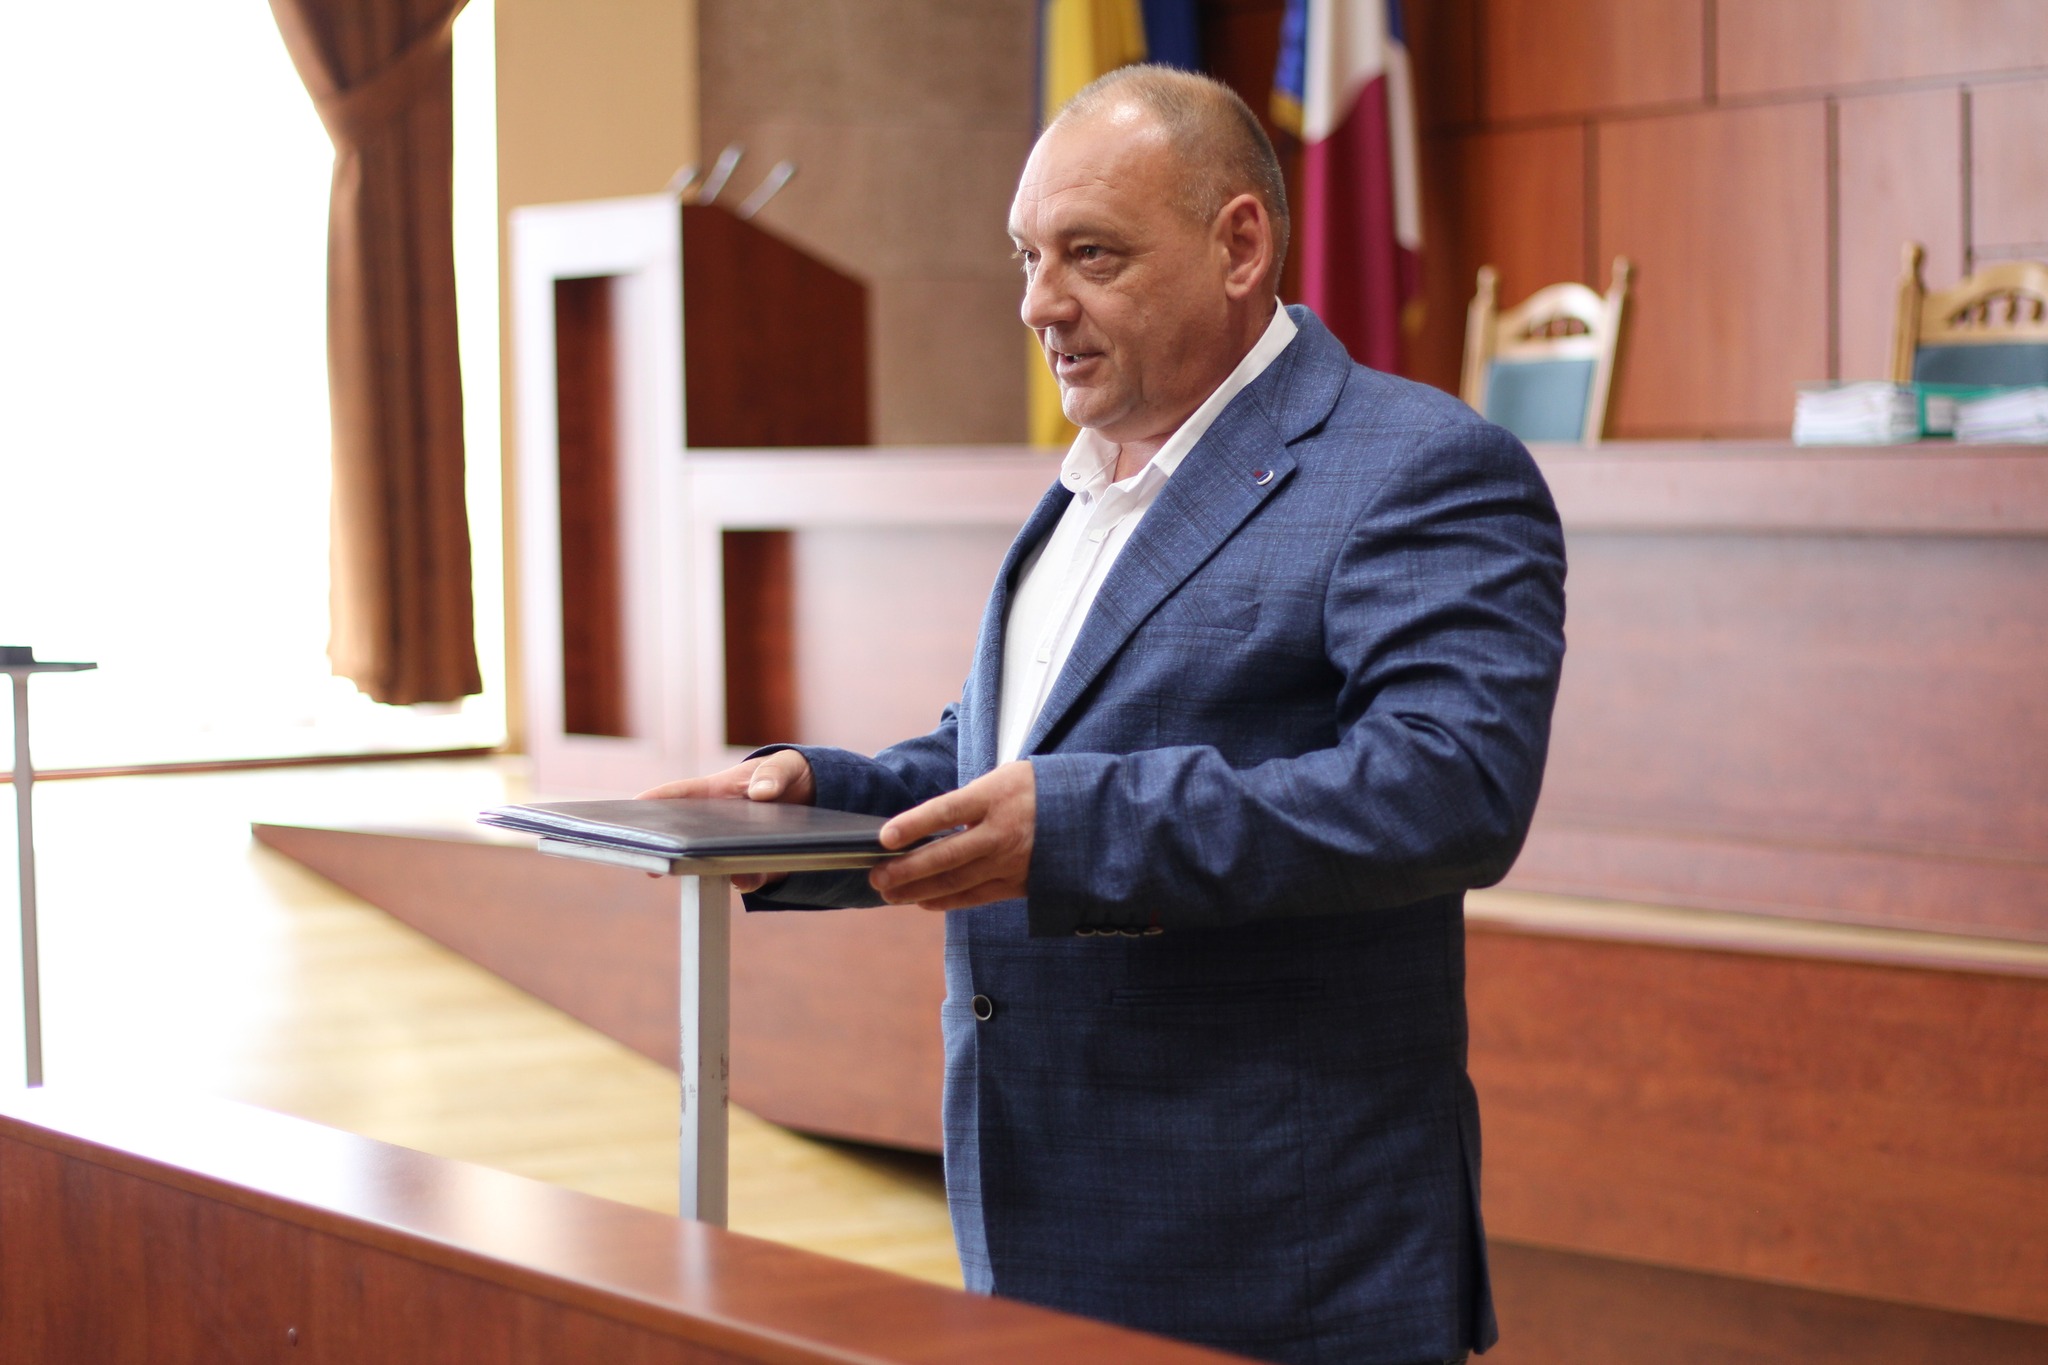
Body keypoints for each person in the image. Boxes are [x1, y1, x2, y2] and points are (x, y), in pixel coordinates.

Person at [642, 65, 1565, 1365]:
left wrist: (1077, 827)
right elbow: (1014, 757)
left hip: (1279, 1254)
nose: (1038, 302)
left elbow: (1449, 790)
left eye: (1091, 255)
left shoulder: (1419, 467)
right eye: (1027, 256)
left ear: (1239, 245)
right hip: (1037, 1217)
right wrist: (815, 804)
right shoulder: (1093, 479)